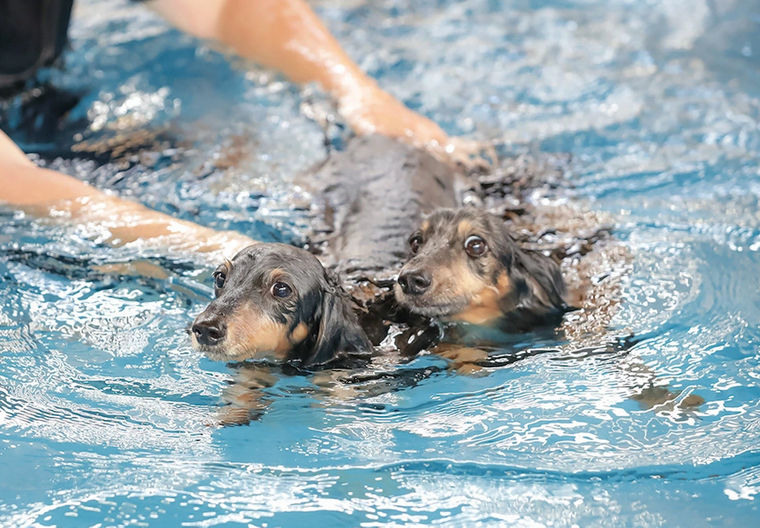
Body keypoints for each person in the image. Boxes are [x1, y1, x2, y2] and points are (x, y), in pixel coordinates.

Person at [0, 0, 469, 258]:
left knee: (233, 156)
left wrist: (359, 94)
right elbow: (13, 183)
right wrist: (213, 249)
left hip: (41, 107)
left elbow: (226, 6)